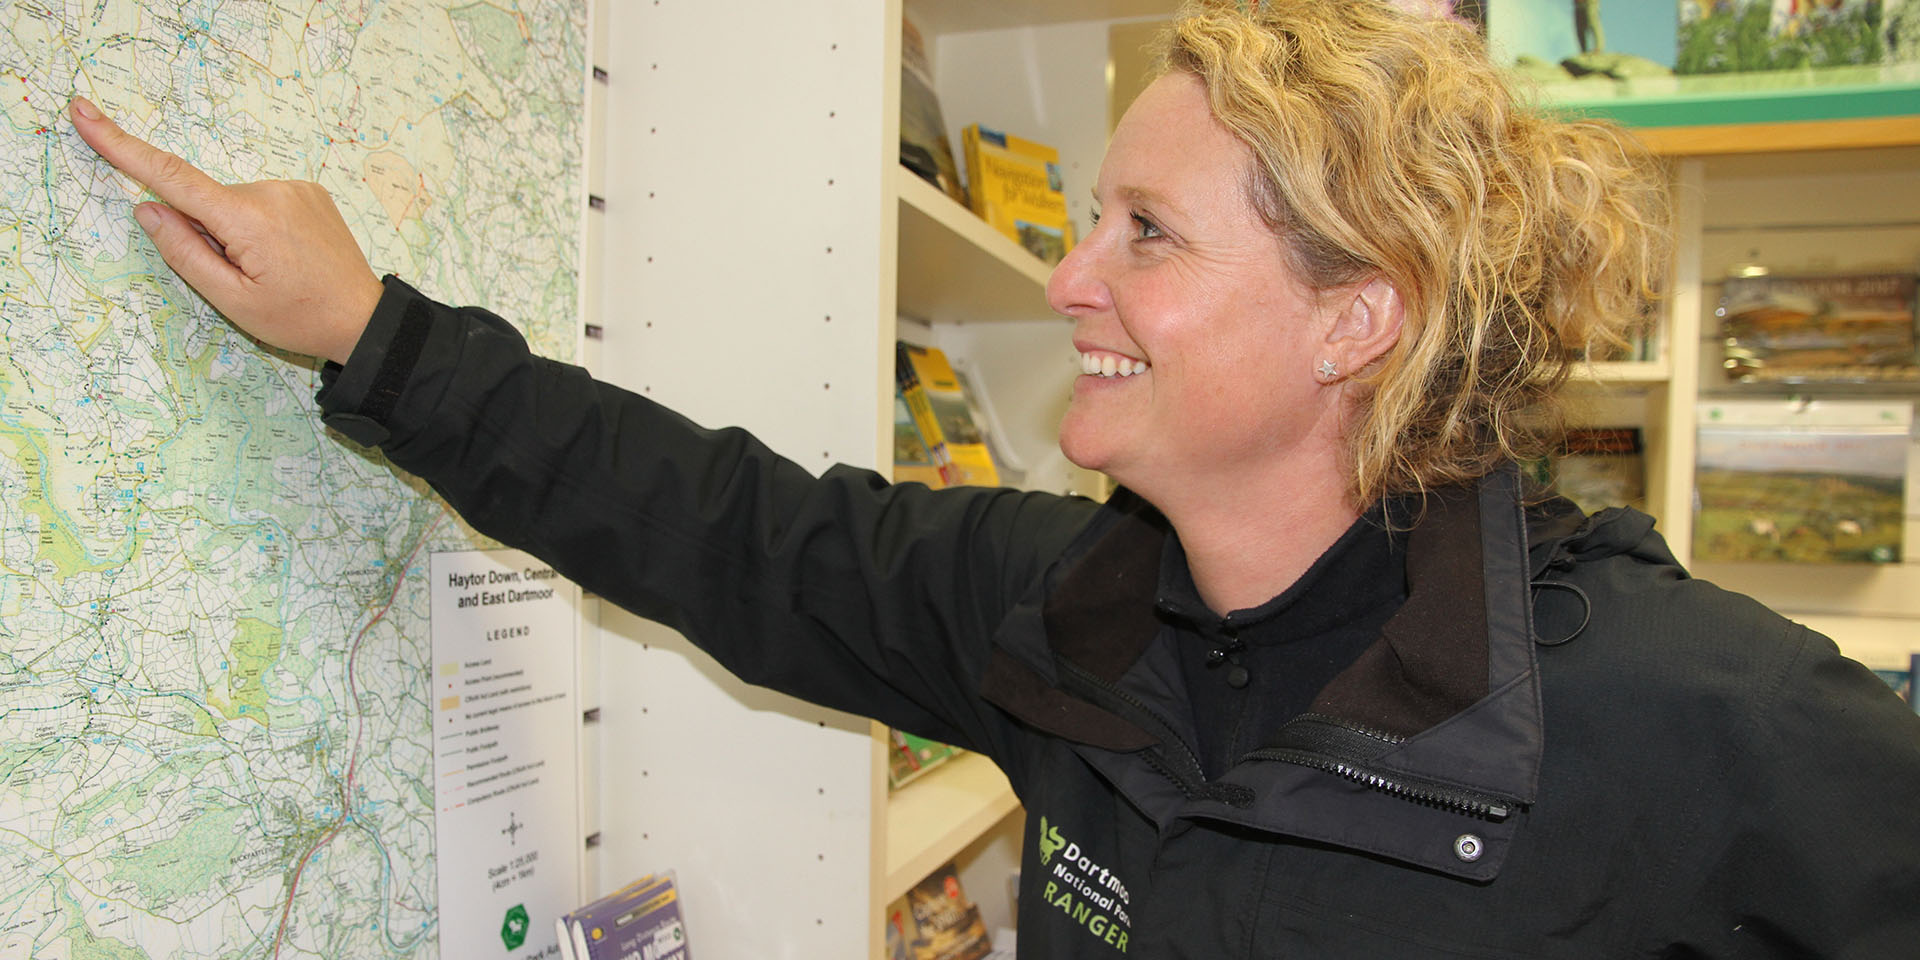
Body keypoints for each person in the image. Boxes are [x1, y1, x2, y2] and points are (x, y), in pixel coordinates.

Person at [67, 0, 1919, 956]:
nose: (1067, 277)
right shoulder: (1077, 617)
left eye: (1146, 232)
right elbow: (731, 527)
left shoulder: (1696, 720)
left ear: (1362, 319)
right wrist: (372, 331)